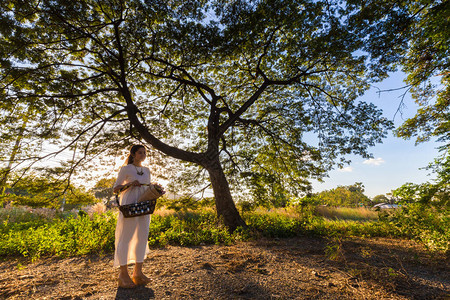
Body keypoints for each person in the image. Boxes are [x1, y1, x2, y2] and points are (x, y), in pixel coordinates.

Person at [113, 144, 155, 289]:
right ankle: (123, 275)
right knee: (126, 238)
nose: (143, 154)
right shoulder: (126, 169)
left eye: (145, 152)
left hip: (145, 205)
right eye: (140, 152)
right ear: (133, 154)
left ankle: (138, 273)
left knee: (142, 237)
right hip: (130, 205)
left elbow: (148, 187)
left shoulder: (147, 170)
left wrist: (155, 189)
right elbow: (116, 188)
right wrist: (130, 184)